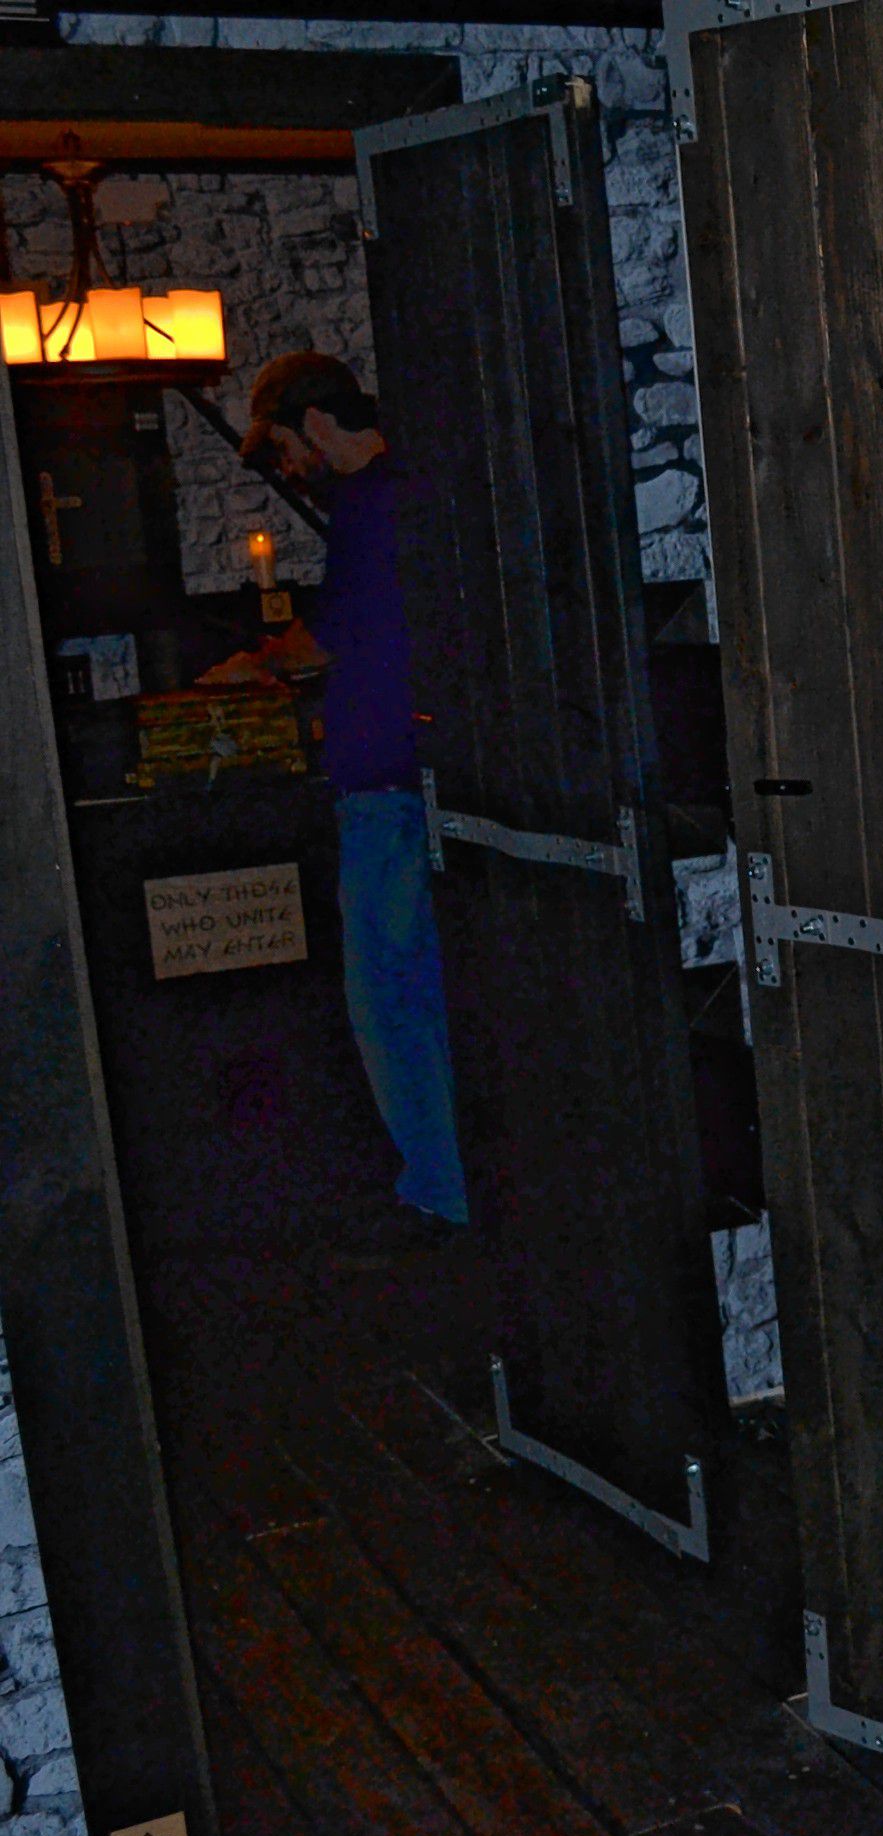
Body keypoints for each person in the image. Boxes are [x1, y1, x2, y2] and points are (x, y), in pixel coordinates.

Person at [241, 352, 468, 1234]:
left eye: (287, 446)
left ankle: (440, 1191)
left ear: (317, 423)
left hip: (384, 789)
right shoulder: (405, 488)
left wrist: (249, 667)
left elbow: (323, 642)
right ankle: (450, 1184)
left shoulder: (371, 502)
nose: (289, 465)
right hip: (410, 778)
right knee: (418, 998)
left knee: (392, 1003)